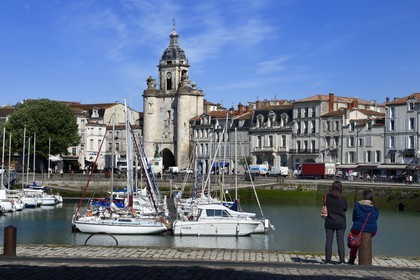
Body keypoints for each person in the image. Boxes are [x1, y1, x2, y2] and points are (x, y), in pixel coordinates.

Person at [348, 189, 379, 265]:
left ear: (363, 197)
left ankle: (352, 258)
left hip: (357, 228)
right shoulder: (375, 207)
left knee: (355, 239)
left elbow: (354, 218)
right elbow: (375, 218)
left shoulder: (357, 205)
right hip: (372, 230)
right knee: (360, 236)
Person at [324, 181, 348, 264]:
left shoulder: (327, 197)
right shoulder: (342, 199)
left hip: (329, 221)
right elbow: (345, 209)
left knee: (329, 240)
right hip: (341, 222)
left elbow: (325, 206)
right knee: (340, 241)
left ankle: (327, 259)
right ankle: (342, 260)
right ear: (341, 188)